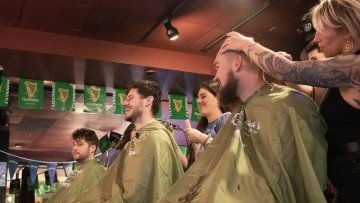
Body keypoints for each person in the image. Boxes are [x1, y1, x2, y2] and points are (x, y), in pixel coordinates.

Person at [220, 0, 360, 201]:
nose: (317, 37)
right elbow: (312, 93)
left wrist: (246, 44)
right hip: (344, 174)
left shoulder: (355, 67)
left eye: (322, 30)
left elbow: (290, 69)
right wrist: (284, 75)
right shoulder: (343, 75)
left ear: (346, 31)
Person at [159, 43, 327, 202]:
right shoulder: (239, 112)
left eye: (218, 66)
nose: (216, 76)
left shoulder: (289, 104)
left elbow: (309, 176)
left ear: (236, 63)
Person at [71, 80, 184, 203]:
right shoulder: (138, 140)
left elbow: (149, 189)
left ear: (148, 101)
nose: (125, 103)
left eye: (130, 98)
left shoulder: (155, 139)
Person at [46, 128, 105, 203]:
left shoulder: (95, 169)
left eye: (80, 144)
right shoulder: (77, 170)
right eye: (74, 144)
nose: (75, 148)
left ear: (92, 148)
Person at [184, 80, 230, 169]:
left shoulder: (226, 118)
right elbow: (191, 166)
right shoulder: (202, 128)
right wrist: (175, 147)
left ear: (218, 99)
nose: (198, 101)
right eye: (198, 98)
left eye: (203, 96)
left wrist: (201, 138)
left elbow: (227, 153)